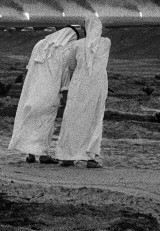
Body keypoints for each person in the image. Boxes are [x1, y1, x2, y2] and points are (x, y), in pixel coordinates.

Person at [8, 26, 79, 163]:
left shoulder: (39, 44)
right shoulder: (65, 50)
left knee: (31, 120)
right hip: (49, 92)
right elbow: (65, 74)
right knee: (45, 122)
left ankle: (31, 154)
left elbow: (29, 68)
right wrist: (65, 91)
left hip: (33, 89)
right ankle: (43, 155)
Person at [56, 16, 111, 168]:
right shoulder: (106, 43)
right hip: (96, 87)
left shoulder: (76, 45)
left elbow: (70, 64)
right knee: (93, 121)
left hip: (79, 85)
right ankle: (88, 158)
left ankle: (67, 156)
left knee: (72, 119)